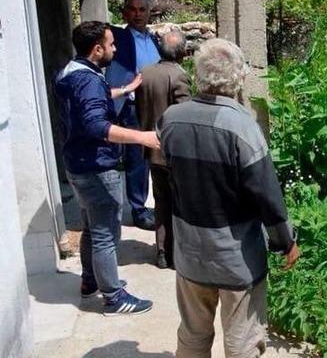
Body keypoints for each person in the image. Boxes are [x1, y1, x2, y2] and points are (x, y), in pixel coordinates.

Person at [158, 39, 300, 358]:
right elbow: (267, 194)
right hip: (235, 258)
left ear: (199, 75)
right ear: (239, 78)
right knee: (242, 342)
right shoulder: (241, 128)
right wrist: (286, 241)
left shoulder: (171, 119)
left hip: (189, 251)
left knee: (193, 333)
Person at [55, 21, 157, 316]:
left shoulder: (71, 72)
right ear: (97, 49)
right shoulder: (88, 81)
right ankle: (114, 297)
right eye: (111, 44)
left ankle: (90, 281)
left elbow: (90, 101)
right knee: (106, 233)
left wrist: (125, 89)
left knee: (90, 227)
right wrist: (142, 137)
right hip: (97, 167)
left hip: (77, 163)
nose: (115, 48)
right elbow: (97, 124)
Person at [135, 30, 191, 269]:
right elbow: (184, 116)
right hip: (174, 152)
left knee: (161, 202)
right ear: (183, 53)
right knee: (180, 204)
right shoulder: (179, 76)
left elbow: (139, 109)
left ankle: (161, 252)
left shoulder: (145, 73)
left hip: (151, 148)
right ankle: (177, 254)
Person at [105, 0, 160, 231]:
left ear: (149, 13)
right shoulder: (119, 38)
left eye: (142, 10)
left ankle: (160, 202)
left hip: (155, 103)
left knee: (159, 153)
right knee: (138, 159)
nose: (138, 14)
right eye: (132, 10)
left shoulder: (154, 39)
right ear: (124, 13)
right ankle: (139, 209)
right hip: (132, 105)